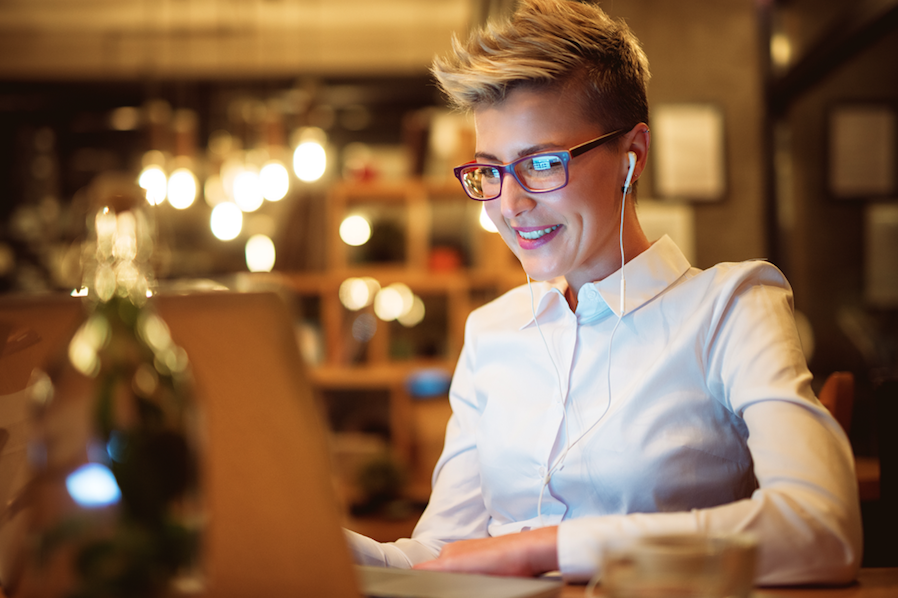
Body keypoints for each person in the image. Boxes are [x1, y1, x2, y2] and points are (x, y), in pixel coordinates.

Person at [346, 0, 862, 584]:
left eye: (540, 163)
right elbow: (445, 554)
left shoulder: (731, 307)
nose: (509, 205)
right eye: (490, 171)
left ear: (631, 156)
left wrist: (541, 549)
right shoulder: (491, 331)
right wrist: (327, 542)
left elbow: (822, 526)